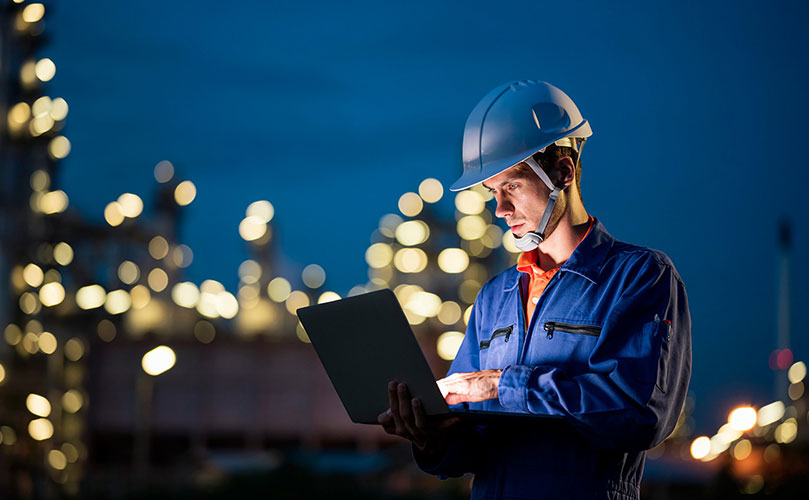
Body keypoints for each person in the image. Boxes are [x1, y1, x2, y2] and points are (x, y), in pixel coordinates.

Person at [378, 80, 692, 500]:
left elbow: (639, 413)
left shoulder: (639, 277)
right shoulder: (495, 297)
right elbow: (472, 444)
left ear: (563, 171)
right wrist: (429, 437)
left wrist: (501, 385)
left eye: (512, 186)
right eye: (493, 192)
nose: (500, 209)